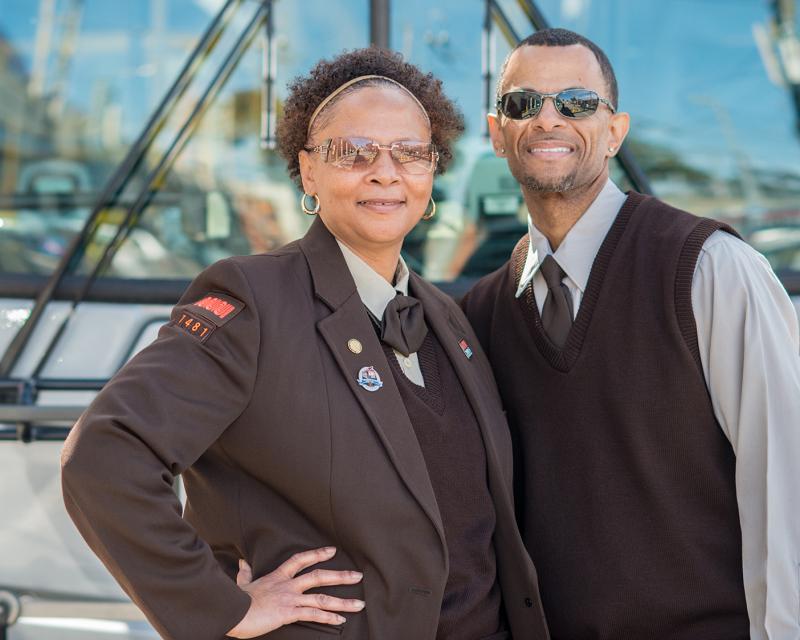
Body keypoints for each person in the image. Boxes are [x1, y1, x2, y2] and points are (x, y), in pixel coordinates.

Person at [61, 47, 549, 640]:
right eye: (354, 152)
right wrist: (223, 609)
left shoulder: (449, 318)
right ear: (309, 171)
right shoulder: (252, 300)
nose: (385, 172)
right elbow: (104, 456)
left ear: (432, 172)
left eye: (410, 153)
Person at [461, 28, 800, 640]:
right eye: (522, 104)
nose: (547, 119)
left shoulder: (710, 267)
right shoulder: (482, 314)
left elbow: (786, 489)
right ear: (496, 132)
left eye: (576, 102)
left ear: (615, 131)